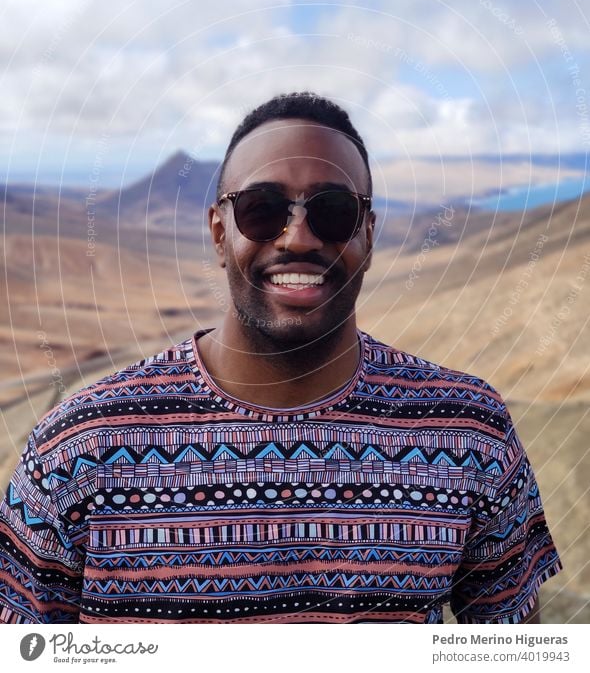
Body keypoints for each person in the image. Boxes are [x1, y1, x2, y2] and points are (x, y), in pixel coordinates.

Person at [0, 92, 562, 624]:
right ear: (220, 233)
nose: (297, 238)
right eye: (262, 210)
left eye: (334, 211)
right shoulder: (77, 449)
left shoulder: (468, 433)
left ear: (368, 233)